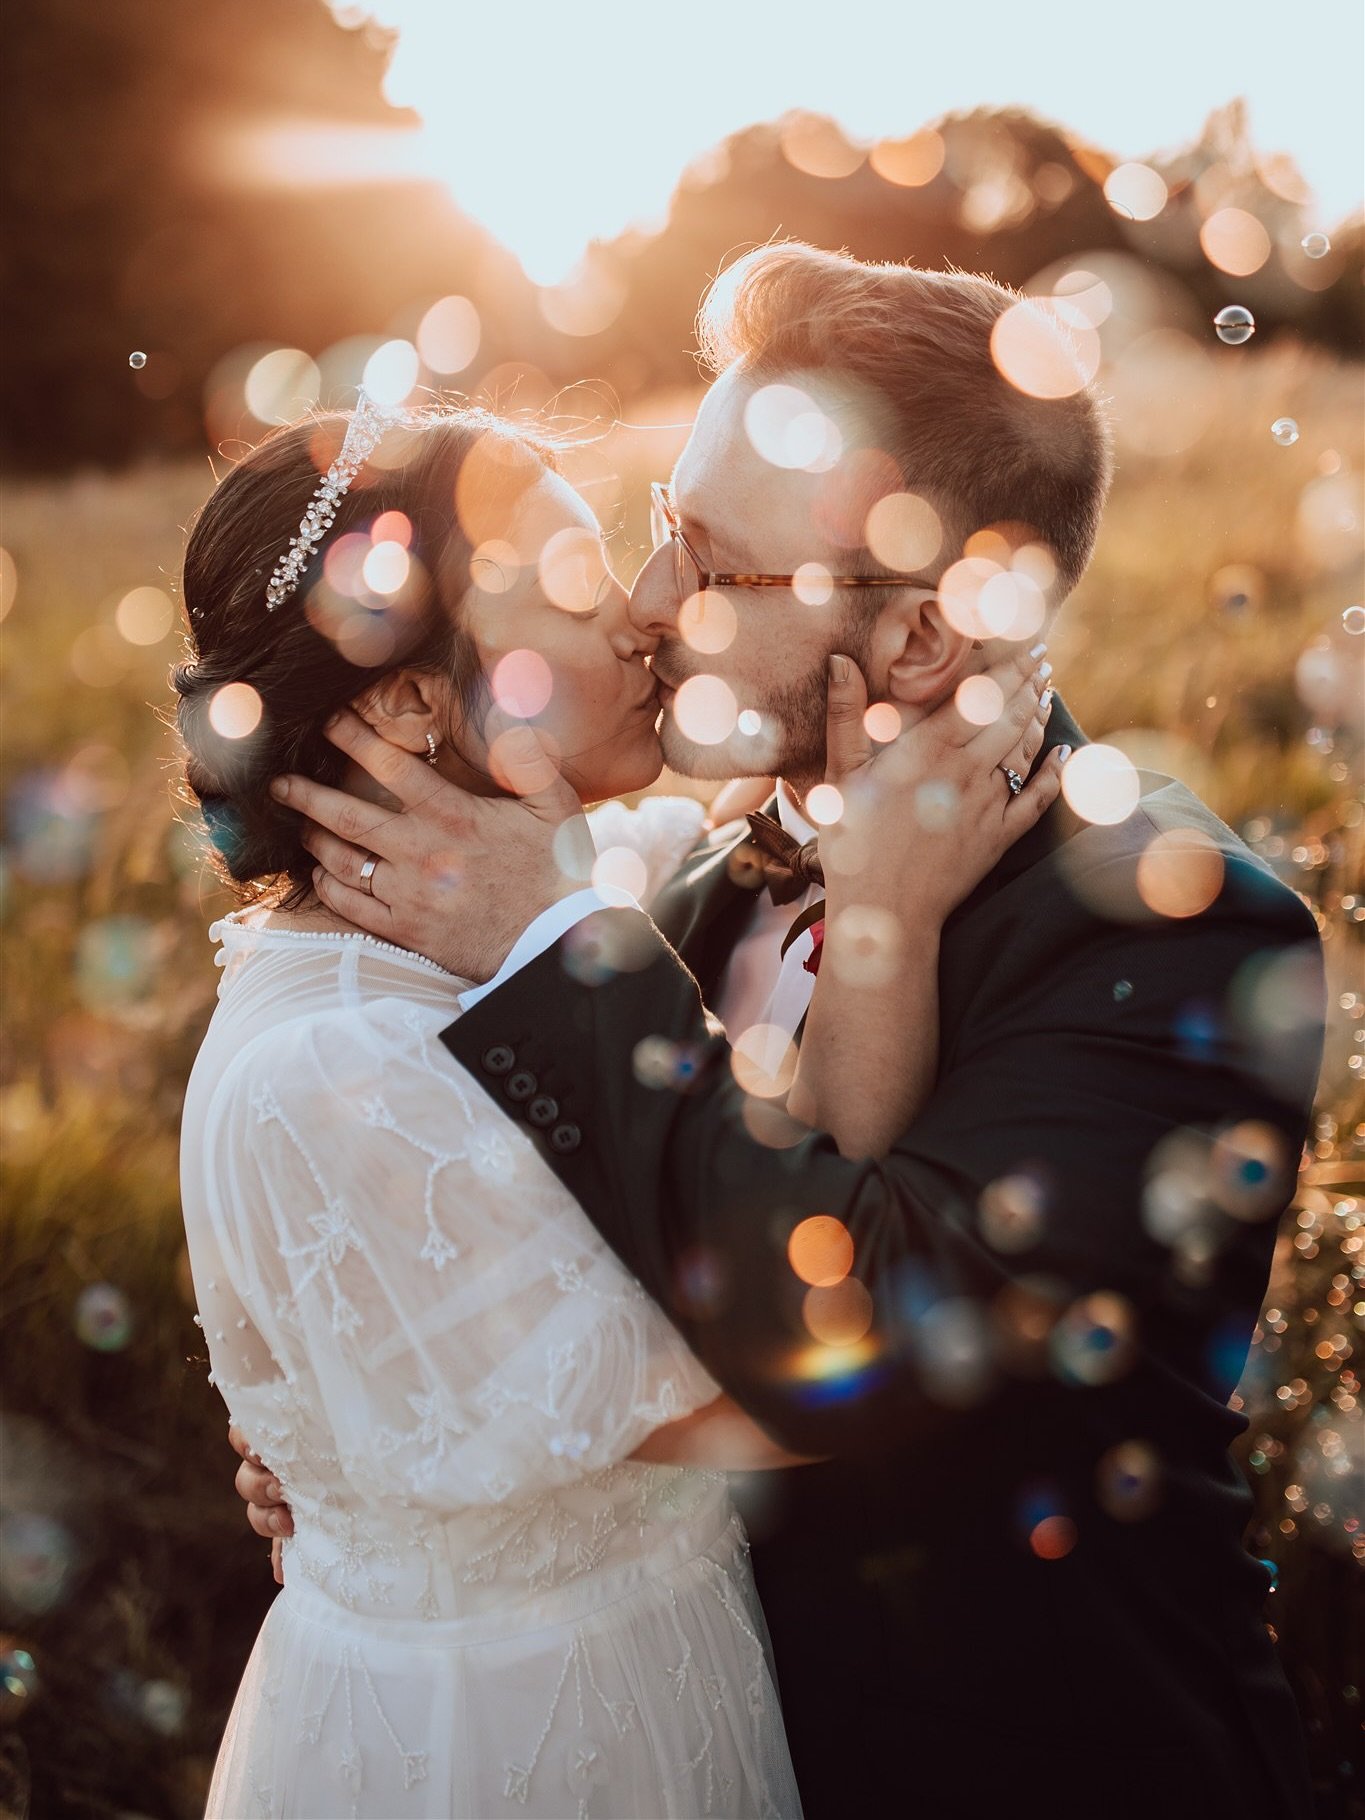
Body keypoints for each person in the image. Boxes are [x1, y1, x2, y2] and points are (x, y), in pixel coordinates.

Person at [245, 247, 1325, 1820]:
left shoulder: (1168, 936)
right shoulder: (701, 877)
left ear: (917, 645)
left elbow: (872, 1350)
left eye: (705, 558)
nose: (645, 600)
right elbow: (589, 1270)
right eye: (660, 527)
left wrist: (546, 951)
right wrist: (393, 1437)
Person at [178, 390, 1056, 1817]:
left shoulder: (553, 910)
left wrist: (874, 890)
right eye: (576, 582)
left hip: (655, 1674)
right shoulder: (346, 1072)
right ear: (406, 698)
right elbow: (796, 1368)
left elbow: (767, 1172)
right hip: (514, 1748)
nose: (647, 613)